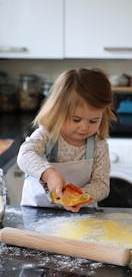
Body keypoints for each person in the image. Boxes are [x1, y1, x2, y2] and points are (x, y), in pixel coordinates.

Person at [17, 68, 115, 212]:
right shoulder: (48, 134)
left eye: (94, 121)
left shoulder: (98, 146)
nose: (84, 127)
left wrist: (79, 197)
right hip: (36, 213)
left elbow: (101, 185)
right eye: (76, 119)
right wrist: (49, 174)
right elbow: (24, 155)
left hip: (81, 216)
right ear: (58, 112)